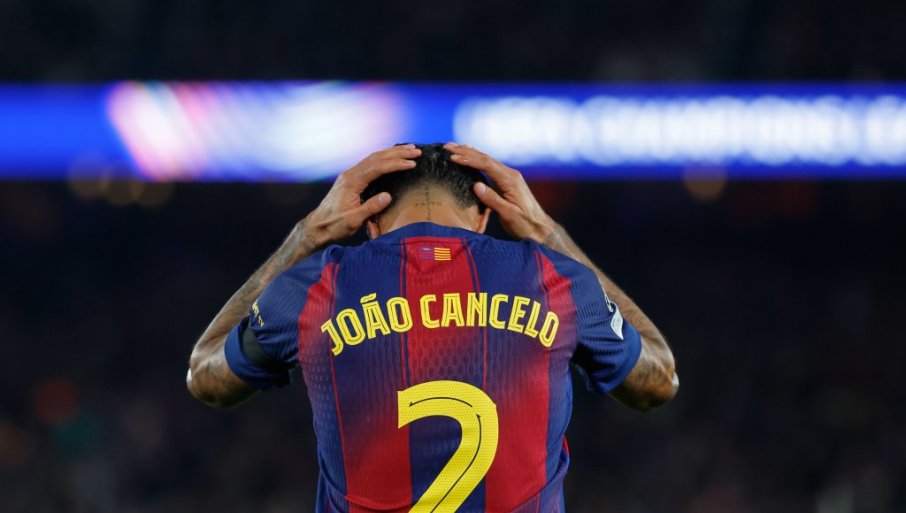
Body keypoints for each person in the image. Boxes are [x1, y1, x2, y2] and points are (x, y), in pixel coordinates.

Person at [186, 142, 678, 513]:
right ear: (484, 217)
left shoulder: (313, 288)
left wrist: (307, 233)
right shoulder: (556, 281)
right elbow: (659, 380)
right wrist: (549, 234)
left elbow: (206, 376)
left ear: (370, 224)